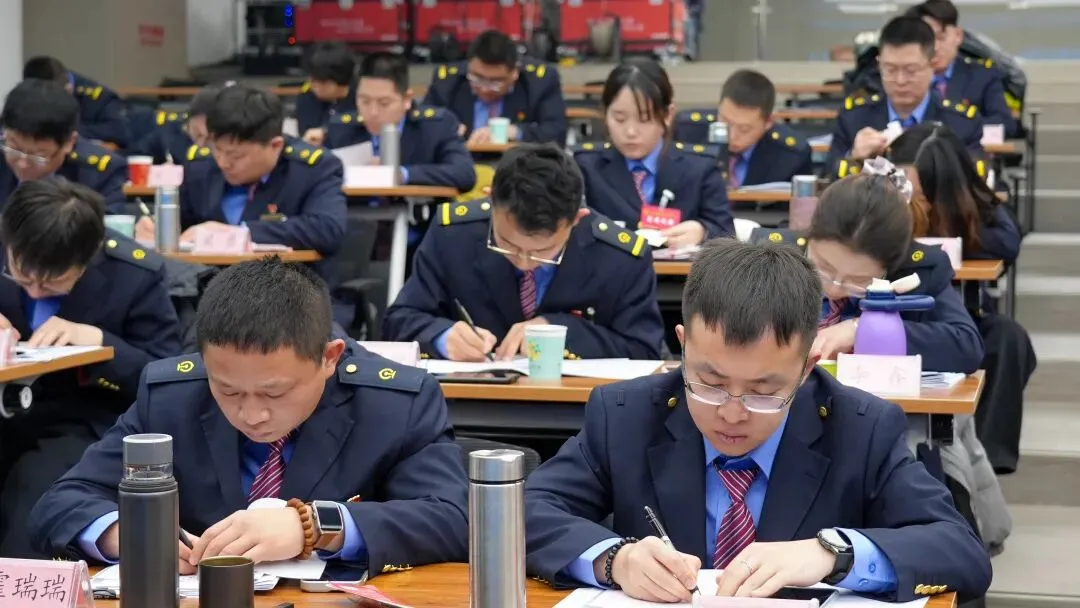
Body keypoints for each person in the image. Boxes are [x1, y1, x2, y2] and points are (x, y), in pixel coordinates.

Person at [523, 238, 992, 603]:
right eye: (709, 383)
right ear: (683, 345)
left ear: (806, 368)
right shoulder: (625, 416)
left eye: (764, 392)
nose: (732, 412)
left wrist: (832, 553)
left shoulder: (861, 428)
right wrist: (613, 560)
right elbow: (525, 512)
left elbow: (960, 550)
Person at [30, 258, 469, 575]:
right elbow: (63, 501)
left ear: (330, 358)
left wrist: (314, 527)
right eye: (228, 390)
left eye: (274, 392)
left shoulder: (394, 405)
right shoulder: (171, 398)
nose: (252, 414)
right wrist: (129, 535)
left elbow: (455, 520)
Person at [0, 178, 180, 558]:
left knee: (35, 485)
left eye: (52, 282)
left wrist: (100, 342)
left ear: (88, 258)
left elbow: (167, 376)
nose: (34, 290)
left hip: (84, 416)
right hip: (7, 409)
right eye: (22, 275)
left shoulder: (134, 275)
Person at [382, 143, 663, 362]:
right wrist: (442, 336)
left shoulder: (620, 257)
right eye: (506, 244)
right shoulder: (454, 235)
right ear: (490, 199)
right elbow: (399, 319)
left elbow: (645, 349)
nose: (524, 263)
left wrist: (558, 332)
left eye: (544, 251)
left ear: (577, 219)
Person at [888, 123, 1035, 473]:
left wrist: (948, 232)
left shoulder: (964, 206)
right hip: (895, 319)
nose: (912, 202)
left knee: (1008, 338)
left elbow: (1008, 242)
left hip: (958, 314)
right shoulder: (882, 209)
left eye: (921, 194)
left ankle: (989, 458)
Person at [135, 86, 347, 285]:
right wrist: (157, 227)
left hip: (286, 290)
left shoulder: (312, 168)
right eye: (217, 149)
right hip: (205, 290)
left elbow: (327, 228)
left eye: (236, 156)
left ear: (275, 145)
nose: (223, 163)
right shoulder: (202, 165)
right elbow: (182, 221)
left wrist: (236, 234)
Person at [806, 166, 984, 374]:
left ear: (890, 265)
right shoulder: (781, 256)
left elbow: (966, 346)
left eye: (858, 280)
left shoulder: (918, 271)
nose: (834, 290)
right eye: (824, 267)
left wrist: (864, 329)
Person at [574, 60, 733, 249]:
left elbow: (726, 233)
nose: (631, 131)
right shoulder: (585, 166)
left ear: (668, 115)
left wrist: (703, 231)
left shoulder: (700, 167)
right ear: (605, 114)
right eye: (620, 119)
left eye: (644, 119)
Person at [825, 16, 982, 179]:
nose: (900, 81)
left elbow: (977, 185)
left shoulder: (961, 123)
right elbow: (828, 181)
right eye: (890, 70)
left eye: (911, 70)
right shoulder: (854, 118)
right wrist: (854, 158)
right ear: (879, 64)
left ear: (933, 64)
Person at [323, 52, 476, 193]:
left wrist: (402, 174)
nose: (373, 112)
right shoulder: (341, 127)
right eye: (365, 101)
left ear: (407, 99)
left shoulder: (436, 126)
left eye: (384, 103)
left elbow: (464, 173)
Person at [0, 79, 127, 213]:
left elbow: (104, 224)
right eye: (14, 149)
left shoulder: (100, 174)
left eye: (36, 157)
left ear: (69, 142)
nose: (22, 164)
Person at [423, 29, 568, 146]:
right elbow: (422, 126)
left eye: (495, 82)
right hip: (460, 164)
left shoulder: (539, 82)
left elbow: (556, 132)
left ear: (514, 73)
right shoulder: (447, 81)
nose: (485, 89)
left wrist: (516, 132)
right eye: (477, 79)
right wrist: (444, 129)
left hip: (519, 165)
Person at [673, 70, 814, 187]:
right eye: (725, 122)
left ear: (768, 123)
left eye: (744, 129)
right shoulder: (686, 132)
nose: (732, 136)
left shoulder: (791, 155)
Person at [905, 0, 1017, 137]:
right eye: (926, 40)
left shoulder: (982, 76)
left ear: (958, 36)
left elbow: (1005, 125)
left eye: (941, 38)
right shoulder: (902, 78)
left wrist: (960, 132)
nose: (935, 47)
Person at [23, 56, 130, 147]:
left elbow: (119, 131)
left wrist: (65, 130)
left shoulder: (100, 97)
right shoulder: (32, 92)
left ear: (68, 88)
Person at [129, 84, 220, 165]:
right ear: (193, 116)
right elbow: (139, 154)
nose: (201, 144)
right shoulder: (169, 131)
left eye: (208, 138)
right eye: (199, 135)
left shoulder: (222, 143)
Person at [295, 41, 358, 141]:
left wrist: (327, 132)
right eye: (311, 80)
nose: (312, 86)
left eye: (318, 82)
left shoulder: (362, 98)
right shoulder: (307, 99)